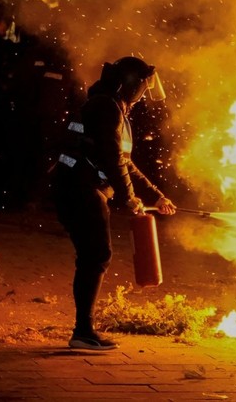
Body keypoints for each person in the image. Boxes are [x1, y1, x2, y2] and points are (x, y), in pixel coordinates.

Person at [52, 55, 176, 350]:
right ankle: (83, 332)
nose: (144, 95)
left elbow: (125, 162)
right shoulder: (107, 109)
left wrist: (155, 195)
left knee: (94, 256)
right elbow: (111, 159)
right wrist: (130, 198)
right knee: (96, 256)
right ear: (131, 86)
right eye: (143, 88)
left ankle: (83, 330)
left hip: (82, 187)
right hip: (80, 188)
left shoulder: (111, 105)